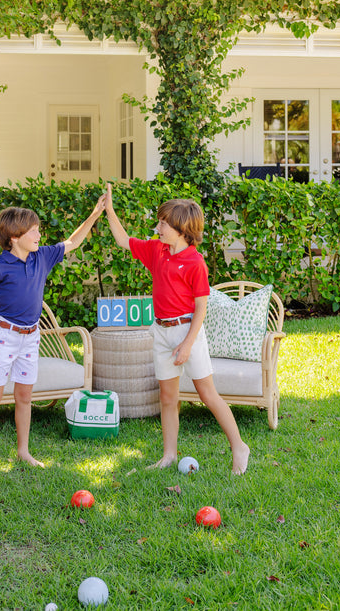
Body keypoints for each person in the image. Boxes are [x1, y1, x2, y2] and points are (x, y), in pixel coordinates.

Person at [104, 183, 250, 475]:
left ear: (182, 230)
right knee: (168, 398)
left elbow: (201, 309)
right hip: (161, 331)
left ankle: (239, 446)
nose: (158, 227)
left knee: (207, 393)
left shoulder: (195, 263)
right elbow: (123, 240)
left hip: (188, 332)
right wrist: (109, 209)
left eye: (163, 223)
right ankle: (168, 455)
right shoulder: (157, 250)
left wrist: (186, 344)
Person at [0, 198, 105, 472]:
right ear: (14, 237)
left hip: (31, 338)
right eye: (33, 230)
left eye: (38, 230)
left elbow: (73, 242)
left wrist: (94, 215)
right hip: (3, 338)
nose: (39, 234)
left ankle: (23, 451)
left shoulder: (41, 256)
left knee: (24, 397)